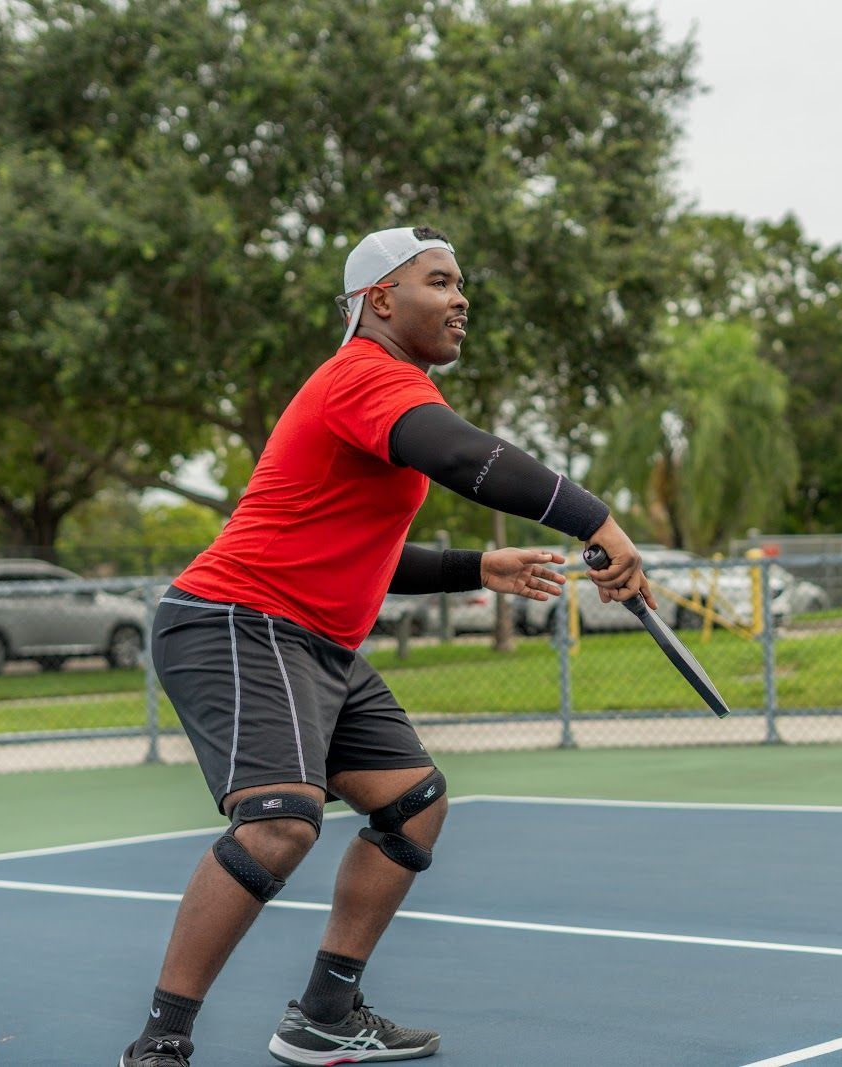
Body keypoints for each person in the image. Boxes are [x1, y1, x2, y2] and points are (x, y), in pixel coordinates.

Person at [121, 226, 656, 1066]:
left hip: (313, 640)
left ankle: (326, 1013)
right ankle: (160, 1044)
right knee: (278, 825)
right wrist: (594, 516)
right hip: (235, 620)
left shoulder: (386, 393)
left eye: (460, 283)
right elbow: (462, 456)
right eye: (439, 281)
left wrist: (480, 564)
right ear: (380, 299)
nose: (460, 298)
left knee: (414, 802)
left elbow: (365, 553)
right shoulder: (364, 376)